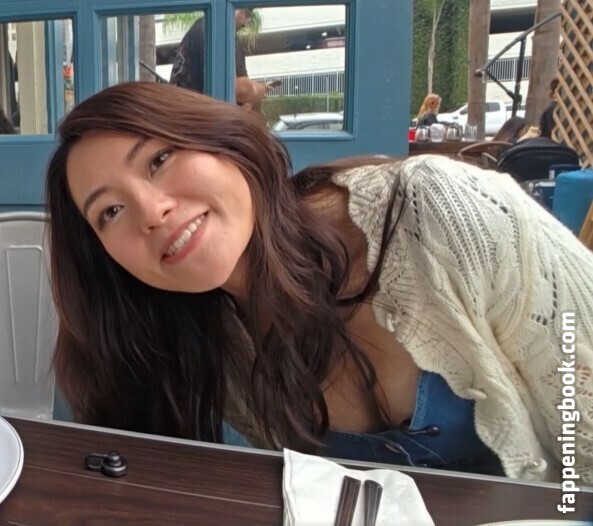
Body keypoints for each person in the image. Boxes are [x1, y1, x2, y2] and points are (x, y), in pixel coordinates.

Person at [45, 82, 593, 485]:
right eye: (110, 211)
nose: (151, 211)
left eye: (160, 159)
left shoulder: (438, 210)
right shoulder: (192, 338)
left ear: (228, 141)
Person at [169, 8, 270, 107]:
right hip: (199, 112)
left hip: (179, 108)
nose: (245, 23)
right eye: (247, 14)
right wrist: (257, 90)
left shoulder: (199, 28)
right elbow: (240, 89)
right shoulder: (224, 33)